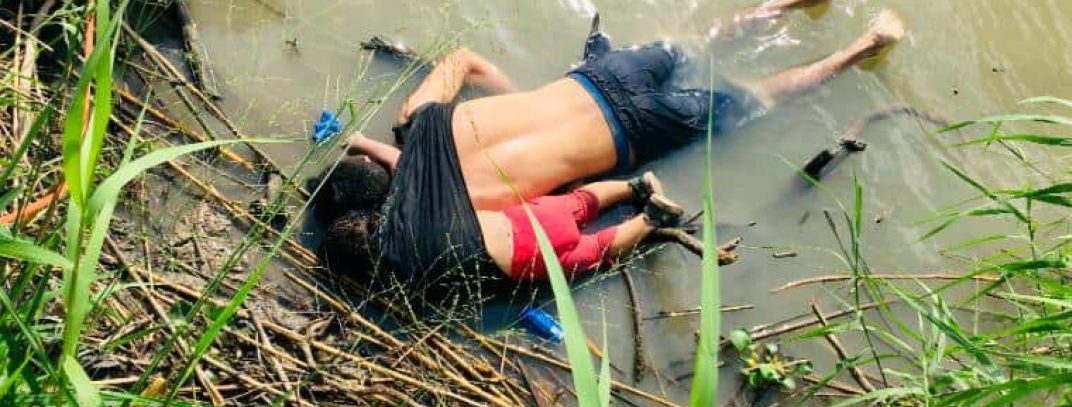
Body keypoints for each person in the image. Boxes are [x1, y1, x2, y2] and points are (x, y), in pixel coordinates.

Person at [311, 1, 906, 283]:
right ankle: (796, 3)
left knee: (756, 98)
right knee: (700, 44)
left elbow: (561, 219)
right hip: (599, 79)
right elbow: (465, 57)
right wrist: (526, 97)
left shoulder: (471, 215)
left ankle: (864, 45)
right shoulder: (422, 115)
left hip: (632, 134)